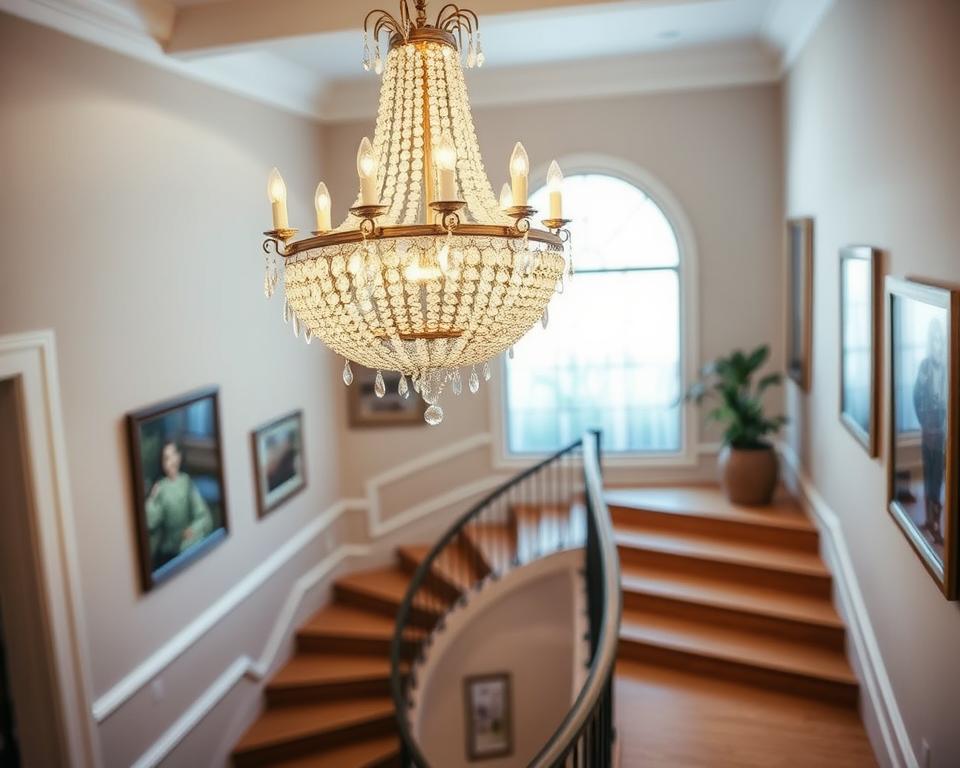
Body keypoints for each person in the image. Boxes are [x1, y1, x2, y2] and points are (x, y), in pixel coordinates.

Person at [146, 441, 214, 569]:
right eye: (166, 458)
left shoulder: (186, 481)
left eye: (173, 456)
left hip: (187, 544)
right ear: (162, 462)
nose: (170, 462)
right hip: (167, 551)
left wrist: (193, 529)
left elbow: (202, 514)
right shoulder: (161, 487)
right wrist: (152, 498)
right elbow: (150, 521)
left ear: (179, 457)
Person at [913, 319, 947, 545]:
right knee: (927, 477)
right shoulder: (924, 366)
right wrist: (924, 422)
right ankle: (928, 520)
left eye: (939, 339)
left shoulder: (947, 367)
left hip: (942, 432)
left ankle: (937, 524)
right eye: (933, 339)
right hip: (928, 429)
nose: (936, 344)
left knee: (937, 478)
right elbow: (916, 396)